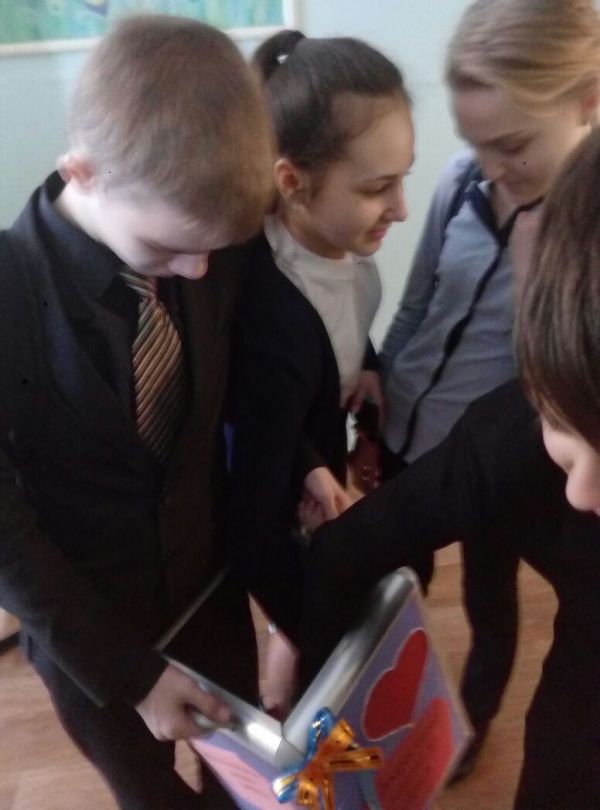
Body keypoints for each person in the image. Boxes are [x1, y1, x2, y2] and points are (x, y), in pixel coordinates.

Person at [0, 15, 273, 809]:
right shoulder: (11, 294)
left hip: (211, 596)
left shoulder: (204, 238)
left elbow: (245, 385)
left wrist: (305, 463)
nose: (198, 272)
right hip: (91, 637)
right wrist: (131, 673)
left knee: (242, 787)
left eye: (212, 251)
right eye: (168, 250)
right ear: (82, 172)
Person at [299, 129, 600, 809]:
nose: (581, 491)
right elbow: (347, 553)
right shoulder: (506, 442)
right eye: (561, 423)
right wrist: (307, 658)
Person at [377, 0, 599, 773]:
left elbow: (559, 381)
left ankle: (466, 728)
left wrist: (540, 273)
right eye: (475, 143)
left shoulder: (581, 235)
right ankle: (387, 721)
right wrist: (383, 391)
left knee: (488, 598)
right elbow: (419, 303)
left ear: (587, 101)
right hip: (412, 431)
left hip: (498, 462)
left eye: (511, 144)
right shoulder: (460, 181)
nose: (491, 166)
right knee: (393, 588)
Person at [224, 29, 414, 712]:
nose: (402, 209)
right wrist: (317, 631)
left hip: (312, 451)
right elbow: (252, 524)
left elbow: (344, 320)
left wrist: (367, 365)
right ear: (292, 182)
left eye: (403, 178)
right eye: (378, 188)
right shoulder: (270, 314)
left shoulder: (344, 245)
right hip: (278, 491)